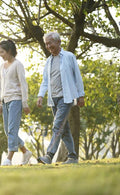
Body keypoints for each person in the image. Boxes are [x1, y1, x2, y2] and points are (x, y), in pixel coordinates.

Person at [37, 32, 85, 164]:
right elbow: (45, 81)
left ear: (58, 42)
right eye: (46, 44)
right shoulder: (48, 61)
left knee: (57, 126)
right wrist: (41, 95)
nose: (48, 46)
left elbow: (77, 77)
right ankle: (73, 157)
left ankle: (49, 155)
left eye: (50, 42)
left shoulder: (69, 56)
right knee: (64, 129)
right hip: (53, 99)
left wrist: (81, 95)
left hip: (66, 97)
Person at [0, 40, 33, 166]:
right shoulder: (2, 66)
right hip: (5, 100)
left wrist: (24, 102)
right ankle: (25, 151)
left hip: (16, 99)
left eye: (2, 52)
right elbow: (1, 85)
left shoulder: (18, 65)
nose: (0, 55)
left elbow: (23, 84)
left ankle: (9, 158)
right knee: (8, 131)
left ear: (9, 51)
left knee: (12, 129)